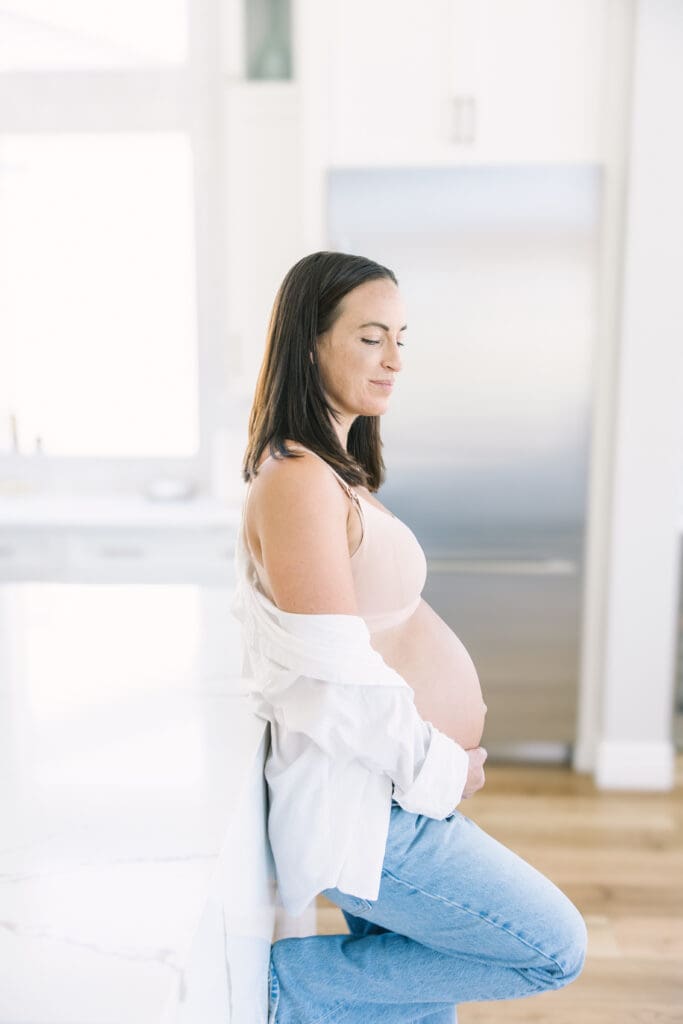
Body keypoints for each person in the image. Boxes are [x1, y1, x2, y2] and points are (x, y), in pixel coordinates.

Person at [232, 251, 587, 1024]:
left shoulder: (330, 470)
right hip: (376, 805)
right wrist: (439, 771)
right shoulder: (294, 479)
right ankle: (273, 990)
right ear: (310, 342)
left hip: (395, 790)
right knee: (550, 946)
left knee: (415, 1005)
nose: (394, 359)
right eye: (369, 337)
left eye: (401, 337)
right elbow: (332, 680)